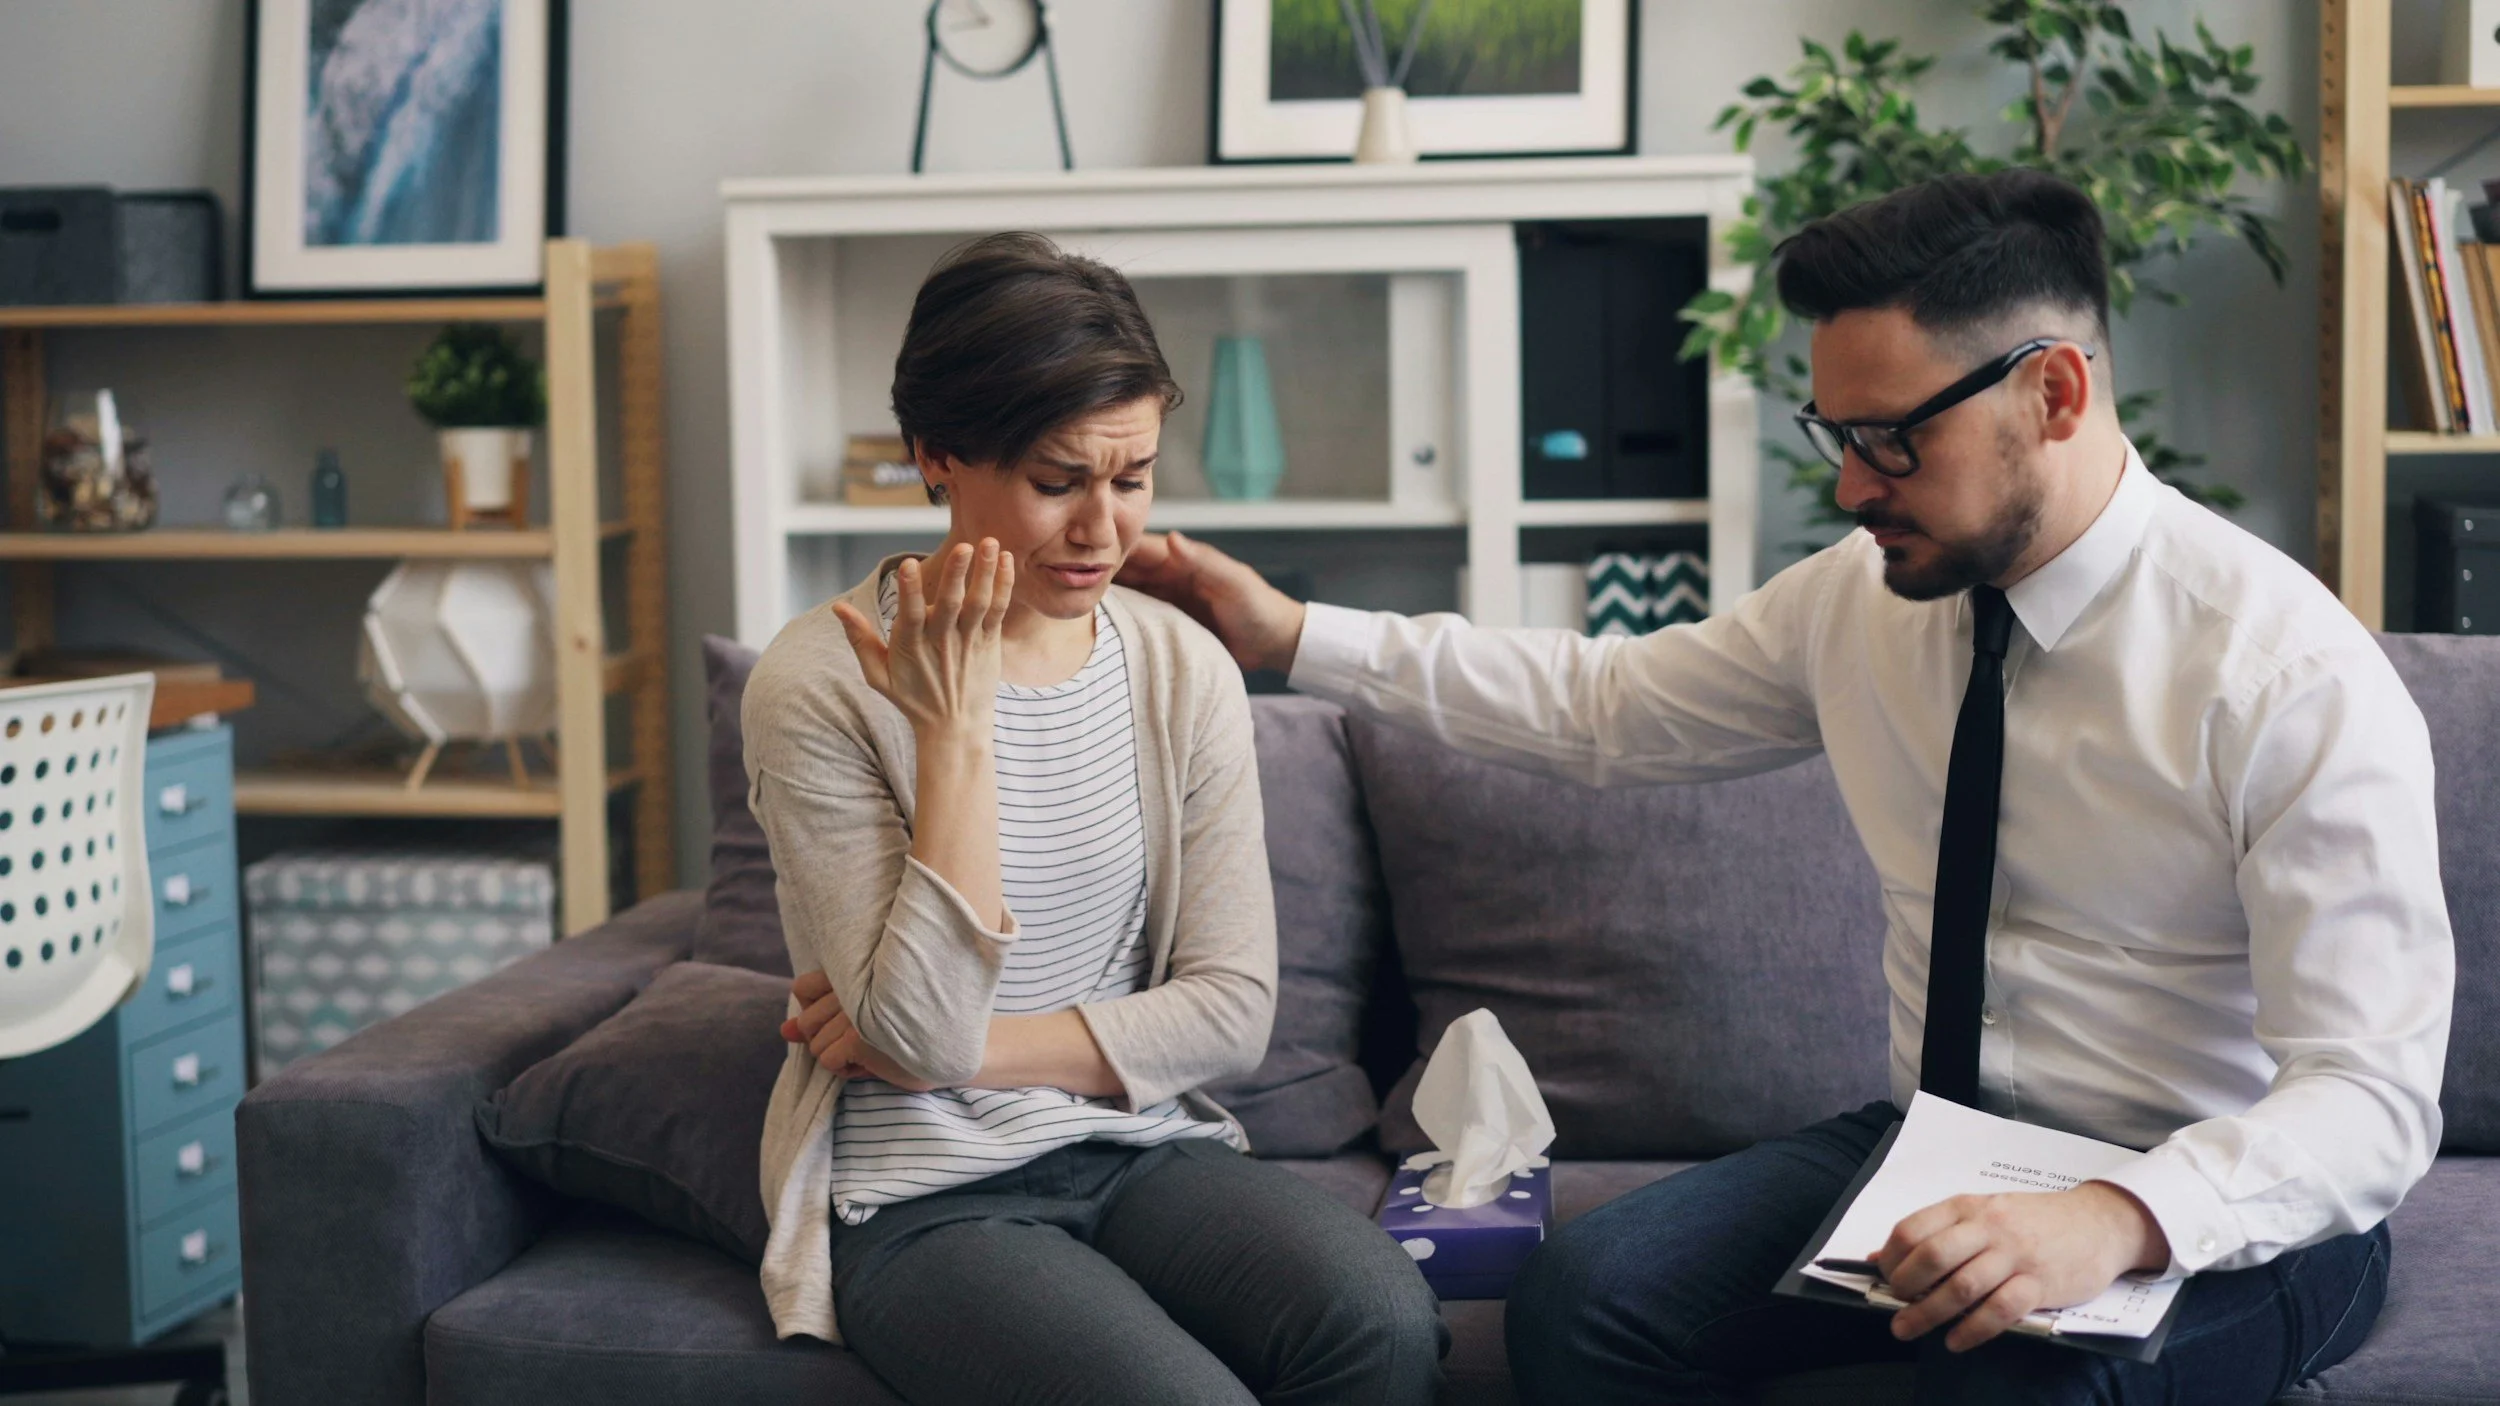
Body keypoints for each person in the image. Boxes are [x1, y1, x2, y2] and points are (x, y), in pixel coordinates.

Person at [1117, 170, 2451, 1404]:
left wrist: (2116, 1216)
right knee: (1585, 1300)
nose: (1850, 486)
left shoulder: (2286, 678)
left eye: (1891, 439)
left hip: (2220, 1207)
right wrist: (1289, 635)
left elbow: (2370, 1099)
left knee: (2025, 1389)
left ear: (2053, 393)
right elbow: (1605, 708)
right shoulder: (1859, 606)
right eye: (1837, 432)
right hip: (1938, 1145)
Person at [742, 232, 1447, 1406]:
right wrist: (955, 732)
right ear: (936, 455)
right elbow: (911, 1031)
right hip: (923, 1194)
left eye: (1132, 479)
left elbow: (1231, 1011)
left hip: (1139, 1147)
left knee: (1378, 1320)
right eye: (1058, 481)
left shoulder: (1179, 666)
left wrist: (970, 1053)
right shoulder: (817, 681)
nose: (1102, 530)